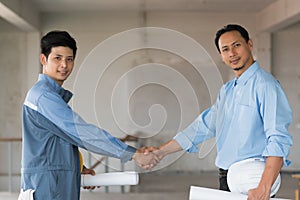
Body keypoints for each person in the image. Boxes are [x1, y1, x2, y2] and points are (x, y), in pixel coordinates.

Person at [147, 24, 293, 200]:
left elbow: (278, 137)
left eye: (237, 45)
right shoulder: (227, 90)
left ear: (250, 44)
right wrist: (160, 152)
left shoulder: (265, 85)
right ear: (221, 55)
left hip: (253, 179)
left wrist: (264, 186)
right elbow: (203, 126)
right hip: (227, 177)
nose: (232, 53)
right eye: (225, 49)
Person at [20, 30, 160, 200]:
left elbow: (57, 141)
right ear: (44, 59)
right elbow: (80, 132)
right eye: (57, 58)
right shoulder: (43, 97)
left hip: (55, 184)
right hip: (47, 187)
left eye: (69, 59)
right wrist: (132, 153)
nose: (64, 65)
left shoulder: (50, 96)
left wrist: (78, 167)